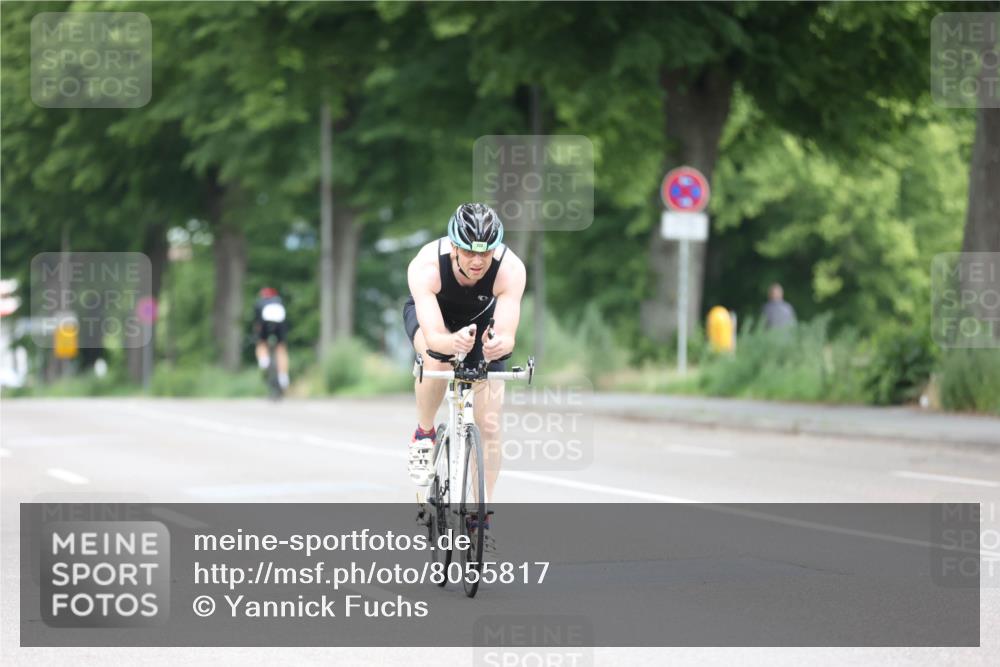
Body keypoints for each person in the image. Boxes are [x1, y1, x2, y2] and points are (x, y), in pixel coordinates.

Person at [403, 203, 526, 535]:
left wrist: (498, 344)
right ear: (454, 245)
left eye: (485, 254)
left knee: (488, 424)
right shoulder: (427, 266)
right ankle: (425, 432)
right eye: (470, 251)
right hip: (435, 322)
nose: (477, 261)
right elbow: (434, 337)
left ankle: (480, 511)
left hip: (481, 324)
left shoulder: (510, 269)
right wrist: (451, 342)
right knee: (436, 358)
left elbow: (507, 332)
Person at [252, 287, 290, 390]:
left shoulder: (259, 302)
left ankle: (264, 360)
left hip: (265, 321)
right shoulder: (279, 301)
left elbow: (257, 322)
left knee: (261, 343)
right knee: (281, 348)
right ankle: (283, 376)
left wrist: (258, 333)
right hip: (280, 323)